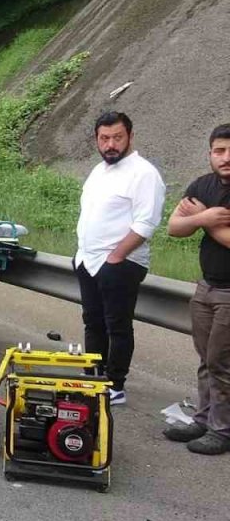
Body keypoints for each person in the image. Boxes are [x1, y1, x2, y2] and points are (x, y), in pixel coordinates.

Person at [74, 111, 165, 406]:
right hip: (88, 261)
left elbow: (146, 224)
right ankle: (93, 377)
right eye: (104, 138)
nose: (110, 144)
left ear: (130, 136)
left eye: (117, 137)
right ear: (96, 139)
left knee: (117, 325)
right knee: (93, 323)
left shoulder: (144, 174)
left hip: (121, 262)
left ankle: (115, 385)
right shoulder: (98, 171)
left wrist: (116, 257)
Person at [165, 123, 230, 454]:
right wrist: (203, 219)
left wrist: (203, 218)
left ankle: (223, 429)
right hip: (206, 288)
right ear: (210, 154)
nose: (226, 157)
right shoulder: (202, 185)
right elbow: (174, 227)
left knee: (221, 362)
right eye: (220, 151)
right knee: (206, 359)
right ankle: (204, 420)